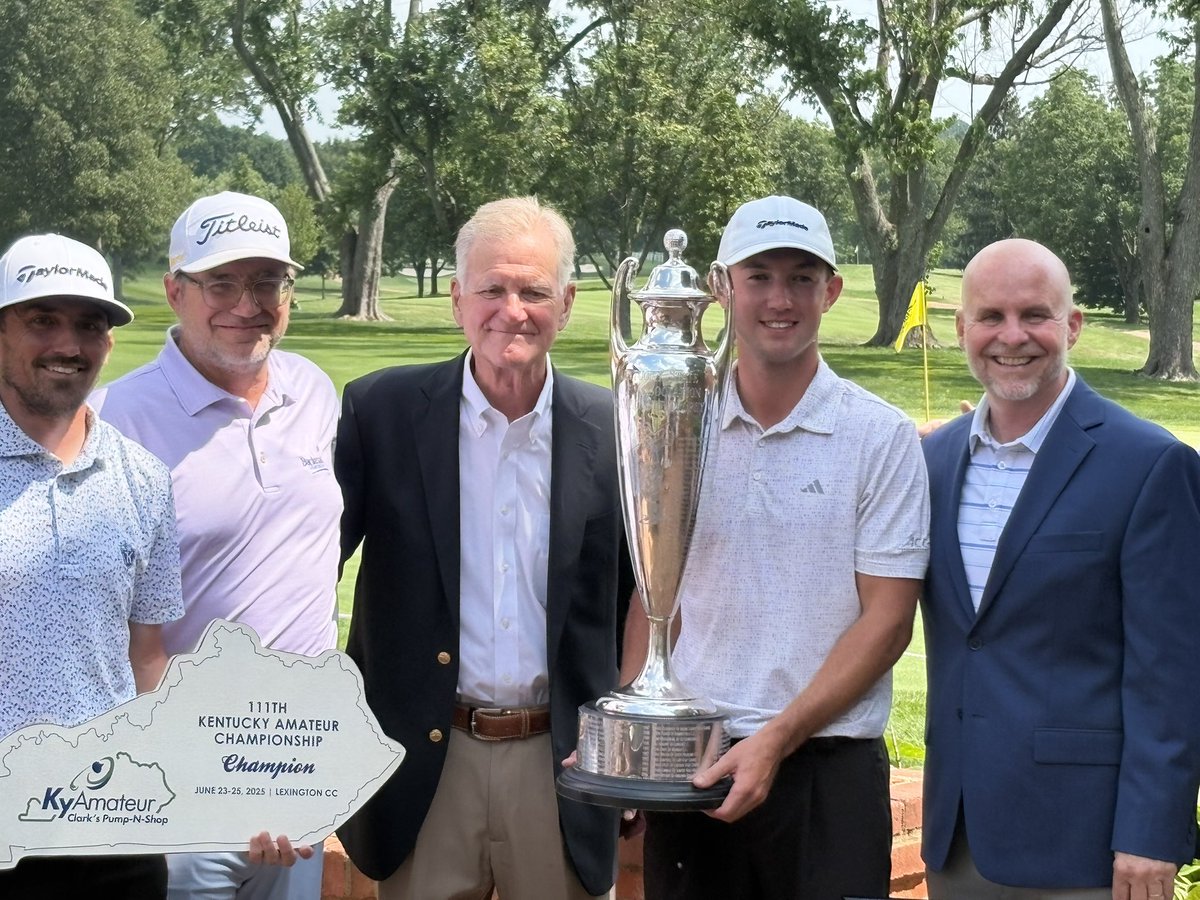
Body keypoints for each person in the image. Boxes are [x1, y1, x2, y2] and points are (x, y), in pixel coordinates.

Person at [334, 196, 635, 900]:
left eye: (533, 291)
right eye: (491, 288)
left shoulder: (615, 429)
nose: (512, 310)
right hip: (419, 766)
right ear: (455, 299)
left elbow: (643, 601)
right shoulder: (380, 413)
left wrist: (624, 755)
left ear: (566, 302)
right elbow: (308, 567)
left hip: (562, 766)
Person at [632, 195, 931, 900]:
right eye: (758, 275)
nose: (780, 298)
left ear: (831, 290)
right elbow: (653, 595)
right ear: (720, 286)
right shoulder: (674, 420)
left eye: (802, 277)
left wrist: (776, 739)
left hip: (829, 769)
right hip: (692, 757)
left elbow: (886, 622)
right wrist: (635, 737)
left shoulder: (877, 436)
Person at [920, 238, 1200, 899]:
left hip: (1090, 847)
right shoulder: (934, 463)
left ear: (1071, 325)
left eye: (1035, 315)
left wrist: (1151, 832)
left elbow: (1172, 676)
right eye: (990, 316)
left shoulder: (1151, 466)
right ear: (962, 330)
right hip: (957, 838)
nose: (1011, 337)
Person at [92, 190, 339, 900]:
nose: (248, 303)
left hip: (302, 761)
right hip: (184, 775)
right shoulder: (114, 422)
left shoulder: (312, 392)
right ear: (175, 291)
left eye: (268, 281)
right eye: (221, 282)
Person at [0, 232, 184, 898]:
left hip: (112, 829)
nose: (69, 344)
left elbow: (147, 656)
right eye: (41, 320)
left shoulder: (144, 479)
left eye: (89, 324)